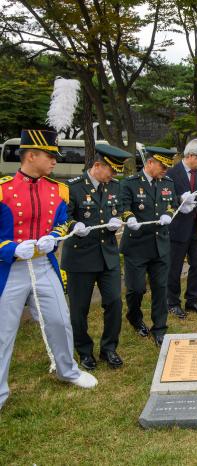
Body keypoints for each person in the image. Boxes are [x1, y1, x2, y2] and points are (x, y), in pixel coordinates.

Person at [0, 129, 97, 410]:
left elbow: (61, 222)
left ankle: (67, 370)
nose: (55, 161)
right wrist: (10, 248)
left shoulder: (58, 190)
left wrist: (54, 236)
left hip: (44, 265)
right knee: (4, 331)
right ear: (31, 155)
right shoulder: (3, 189)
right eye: (50, 156)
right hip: (9, 269)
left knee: (59, 319)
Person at [62, 144, 132, 370]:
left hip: (107, 256)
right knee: (79, 309)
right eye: (111, 170)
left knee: (113, 302)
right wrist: (74, 225)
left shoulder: (114, 186)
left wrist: (118, 221)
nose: (113, 175)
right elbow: (64, 218)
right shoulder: (72, 187)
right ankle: (84, 351)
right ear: (98, 165)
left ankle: (109, 348)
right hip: (81, 257)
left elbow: (119, 209)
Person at [121, 146, 191, 347]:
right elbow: (123, 206)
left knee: (161, 288)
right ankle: (134, 317)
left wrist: (169, 213)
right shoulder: (130, 184)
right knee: (136, 289)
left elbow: (171, 202)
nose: (165, 170)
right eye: (162, 165)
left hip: (160, 244)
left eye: (168, 166)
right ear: (150, 162)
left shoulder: (167, 182)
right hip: (137, 245)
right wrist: (130, 217)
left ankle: (159, 328)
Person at [167, 138, 197, 318]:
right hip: (179, 227)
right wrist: (180, 199)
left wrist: (196, 201)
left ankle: (193, 300)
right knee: (175, 267)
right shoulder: (172, 172)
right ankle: (172, 302)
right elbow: (166, 195)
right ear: (191, 156)